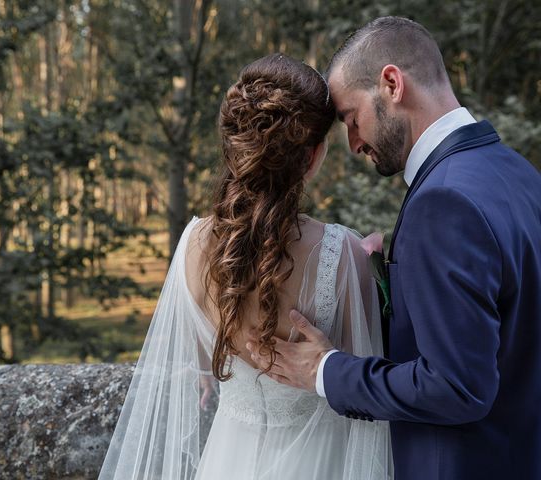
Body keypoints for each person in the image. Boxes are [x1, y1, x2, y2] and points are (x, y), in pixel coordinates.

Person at [247, 16, 541, 480]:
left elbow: (455, 387)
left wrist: (325, 371)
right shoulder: (518, 174)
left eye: (350, 117)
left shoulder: (443, 202)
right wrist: (401, 269)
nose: (353, 141)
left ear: (390, 84)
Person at [98, 54, 393, 480]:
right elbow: (362, 386)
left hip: (227, 459)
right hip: (318, 463)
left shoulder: (191, 245)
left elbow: (201, 358)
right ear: (312, 157)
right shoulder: (340, 253)